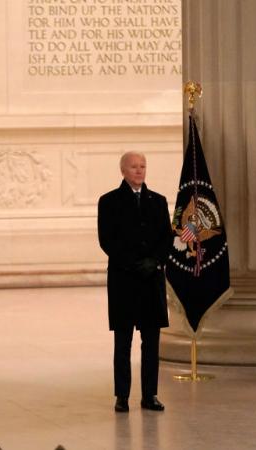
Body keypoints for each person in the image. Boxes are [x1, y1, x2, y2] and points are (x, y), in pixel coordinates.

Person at [98, 151, 173, 413]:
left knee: (151, 342)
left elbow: (166, 237)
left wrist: (154, 261)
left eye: (143, 166)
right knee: (123, 341)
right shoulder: (108, 202)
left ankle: (150, 394)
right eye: (134, 167)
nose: (139, 171)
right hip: (124, 280)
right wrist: (133, 263)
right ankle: (122, 395)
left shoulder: (158, 201)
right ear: (123, 171)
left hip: (151, 280)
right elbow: (107, 240)